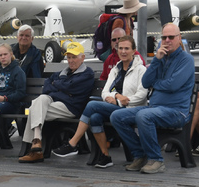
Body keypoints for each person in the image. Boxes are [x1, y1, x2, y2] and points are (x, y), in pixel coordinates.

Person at [109, 23, 195, 174]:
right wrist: (156, 59)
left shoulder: (186, 60)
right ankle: (140, 155)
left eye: (171, 37)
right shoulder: (160, 59)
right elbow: (145, 82)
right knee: (117, 116)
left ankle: (156, 160)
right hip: (155, 109)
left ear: (179, 38)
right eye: (163, 37)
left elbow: (173, 85)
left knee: (144, 115)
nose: (167, 40)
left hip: (176, 112)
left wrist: (156, 84)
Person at [52, 35, 148, 168]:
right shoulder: (116, 70)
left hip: (132, 109)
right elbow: (105, 92)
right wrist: (116, 96)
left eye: (127, 48)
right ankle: (105, 156)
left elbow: (142, 95)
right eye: (120, 48)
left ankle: (73, 143)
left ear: (134, 51)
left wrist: (120, 102)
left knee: (92, 105)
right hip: (116, 107)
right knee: (95, 117)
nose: (123, 51)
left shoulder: (141, 70)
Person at [18, 41, 95, 163]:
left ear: (83, 57)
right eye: (69, 57)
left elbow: (72, 88)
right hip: (54, 103)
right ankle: (36, 142)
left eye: (74, 57)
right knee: (40, 99)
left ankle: (33, 149)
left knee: (34, 110)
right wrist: (62, 88)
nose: (71, 60)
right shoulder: (62, 72)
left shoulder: (87, 74)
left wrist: (58, 86)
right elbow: (47, 85)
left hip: (71, 107)